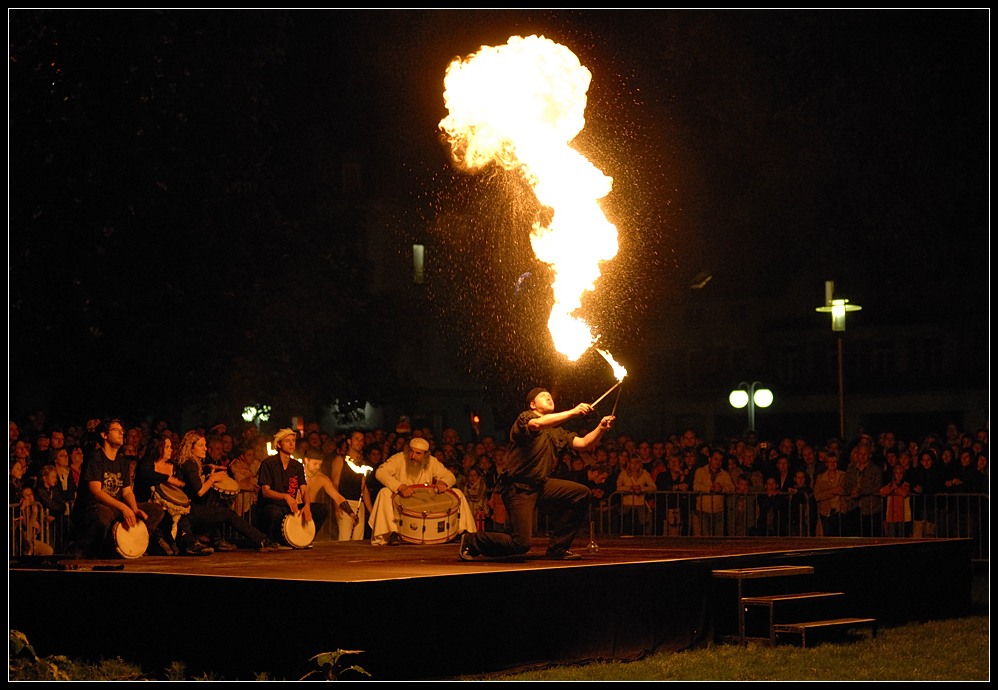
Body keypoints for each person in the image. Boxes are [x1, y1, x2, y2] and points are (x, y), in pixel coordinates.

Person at [458, 386, 614, 561]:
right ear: (532, 404)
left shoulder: (557, 432)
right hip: (518, 488)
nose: (549, 397)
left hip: (541, 485)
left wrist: (601, 427)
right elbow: (537, 424)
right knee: (520, 544)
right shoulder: (525, 418)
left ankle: (558, 548)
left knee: (581, 494)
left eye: (550, 396)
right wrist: (573, 412)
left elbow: (584, 443)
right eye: (543, 396)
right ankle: (472, 540)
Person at [68, 418, 166, 559]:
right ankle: (89, 547)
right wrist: (123, 508)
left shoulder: (122, 462)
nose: (121, 433)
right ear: (104, 435)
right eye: (116, 430)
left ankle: (127, 544)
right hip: (94, 508)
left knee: (156, 511)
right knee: (103, 515)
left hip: (115, 508)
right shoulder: (95, 458)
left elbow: (126, 491)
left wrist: (134, 508)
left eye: (122, 431)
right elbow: (95, 491)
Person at [175, 429, 276, 551]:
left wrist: (208, 468)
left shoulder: (192, 463)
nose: (205, 449)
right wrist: (213, 479)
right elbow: (199, 491)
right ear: (190, 447)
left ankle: (216, 538)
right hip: (189, 510)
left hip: (191, 508)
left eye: (205, 445)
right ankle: (261, 540)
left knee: (221, 508)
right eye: (201, 445)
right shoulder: (189, 464)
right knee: (228, 514)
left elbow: (195, 474)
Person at [369, 437, 477, 545]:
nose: (413, 456)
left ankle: (464, 532)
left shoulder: (431, 461)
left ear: (425, 455)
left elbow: (449, 476)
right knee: (384, 492)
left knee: (457, 493)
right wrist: (400, 487)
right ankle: (391, 533)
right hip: (401, 501)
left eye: (418, 453)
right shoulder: (399, 458)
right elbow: (380, 472)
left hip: (426, 503)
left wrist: (442, 483)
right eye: (411, 451)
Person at [133, 433, 213, 556]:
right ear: (158, 448)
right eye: (167, 447)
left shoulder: (173, 467)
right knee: (164, 520)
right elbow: (146, 475)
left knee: (181, 515)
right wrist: (168, 479)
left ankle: (189, 543)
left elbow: (183, 486)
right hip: (149, 505)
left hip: (171, 508)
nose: (171, 450)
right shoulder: (146, 462)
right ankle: (161, 542)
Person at [256, 428, 317, 548]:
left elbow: (304, 489)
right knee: (275, 512)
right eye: (287, 441)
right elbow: (265, 491)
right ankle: (274, 541)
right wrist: (285, 497)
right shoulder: (269, 463)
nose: (291, 444)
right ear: (279, 444)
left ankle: (304, 539)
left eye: (293, 440)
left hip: (290, 507)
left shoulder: (297, 466)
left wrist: (307, 506)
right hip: (271, 506)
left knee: (320, 509)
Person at [329, 429, 374, 541]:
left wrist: (371, 511)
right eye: (356, 439)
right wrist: (337, 505)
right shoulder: (340, 459)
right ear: (349, 441)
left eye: (362, 440)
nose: (360, 442)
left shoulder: (361, 463)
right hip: (345, 503)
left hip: (359, 504)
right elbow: (334, 483)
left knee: (358, 539)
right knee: (344, 538)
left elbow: (364, 488)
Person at [303, 448, 357, 538]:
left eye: (320, 464)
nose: (318, 467)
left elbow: (337, 497)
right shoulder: (296, 474)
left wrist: (350, 512)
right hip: (295, 509)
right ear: (306, 460)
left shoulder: (322, 478)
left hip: (311, 512)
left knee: (322, 508)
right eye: (315, 463)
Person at [691, 447, 735, 536]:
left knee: (718, 537)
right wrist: (710, 488)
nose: (717, 462)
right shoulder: (700, 471)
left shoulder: (724, 474)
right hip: (703, 510)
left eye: (720, 460)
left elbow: (731, 487)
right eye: (715, 459)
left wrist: (721, 489)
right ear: (709, 459)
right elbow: (696, 486)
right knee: (705, 537)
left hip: (718, 510)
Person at [616, 453, 656, 536]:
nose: (634, 465)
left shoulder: (645, 474)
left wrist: (641, 488)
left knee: (640, 529)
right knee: (627, 528)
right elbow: (618, 488)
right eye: (632, 463)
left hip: (640, 505)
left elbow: (653, 487)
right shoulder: (623, 474)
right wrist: (630, 488)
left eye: (636, 463)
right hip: (627, 505)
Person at [813, 452, 847, 537]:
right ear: (826, 464)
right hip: (826, 513)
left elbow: (848, 490)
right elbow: (817, 495)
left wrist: (843, 491)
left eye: (834, 462)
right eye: (830, 462)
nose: (832, 464)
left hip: (841, 511)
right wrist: (832, 491)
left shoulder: (843, 476)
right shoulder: (820, 478)